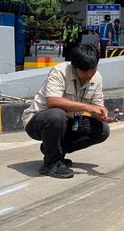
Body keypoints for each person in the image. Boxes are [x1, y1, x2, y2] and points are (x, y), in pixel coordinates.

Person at [22, 44, 115, 179]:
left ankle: (55, 152)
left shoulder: (97, 78)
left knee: (102, 130)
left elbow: (97, 105)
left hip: (69, 122)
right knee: (56, 115)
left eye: (92, 69)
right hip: (40, 121)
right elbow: (52, 101)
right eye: (84, 71)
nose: (89, 75)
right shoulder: (59, 72)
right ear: (74, 67)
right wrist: (87, 108)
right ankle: (51, 164)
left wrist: (103, 114)